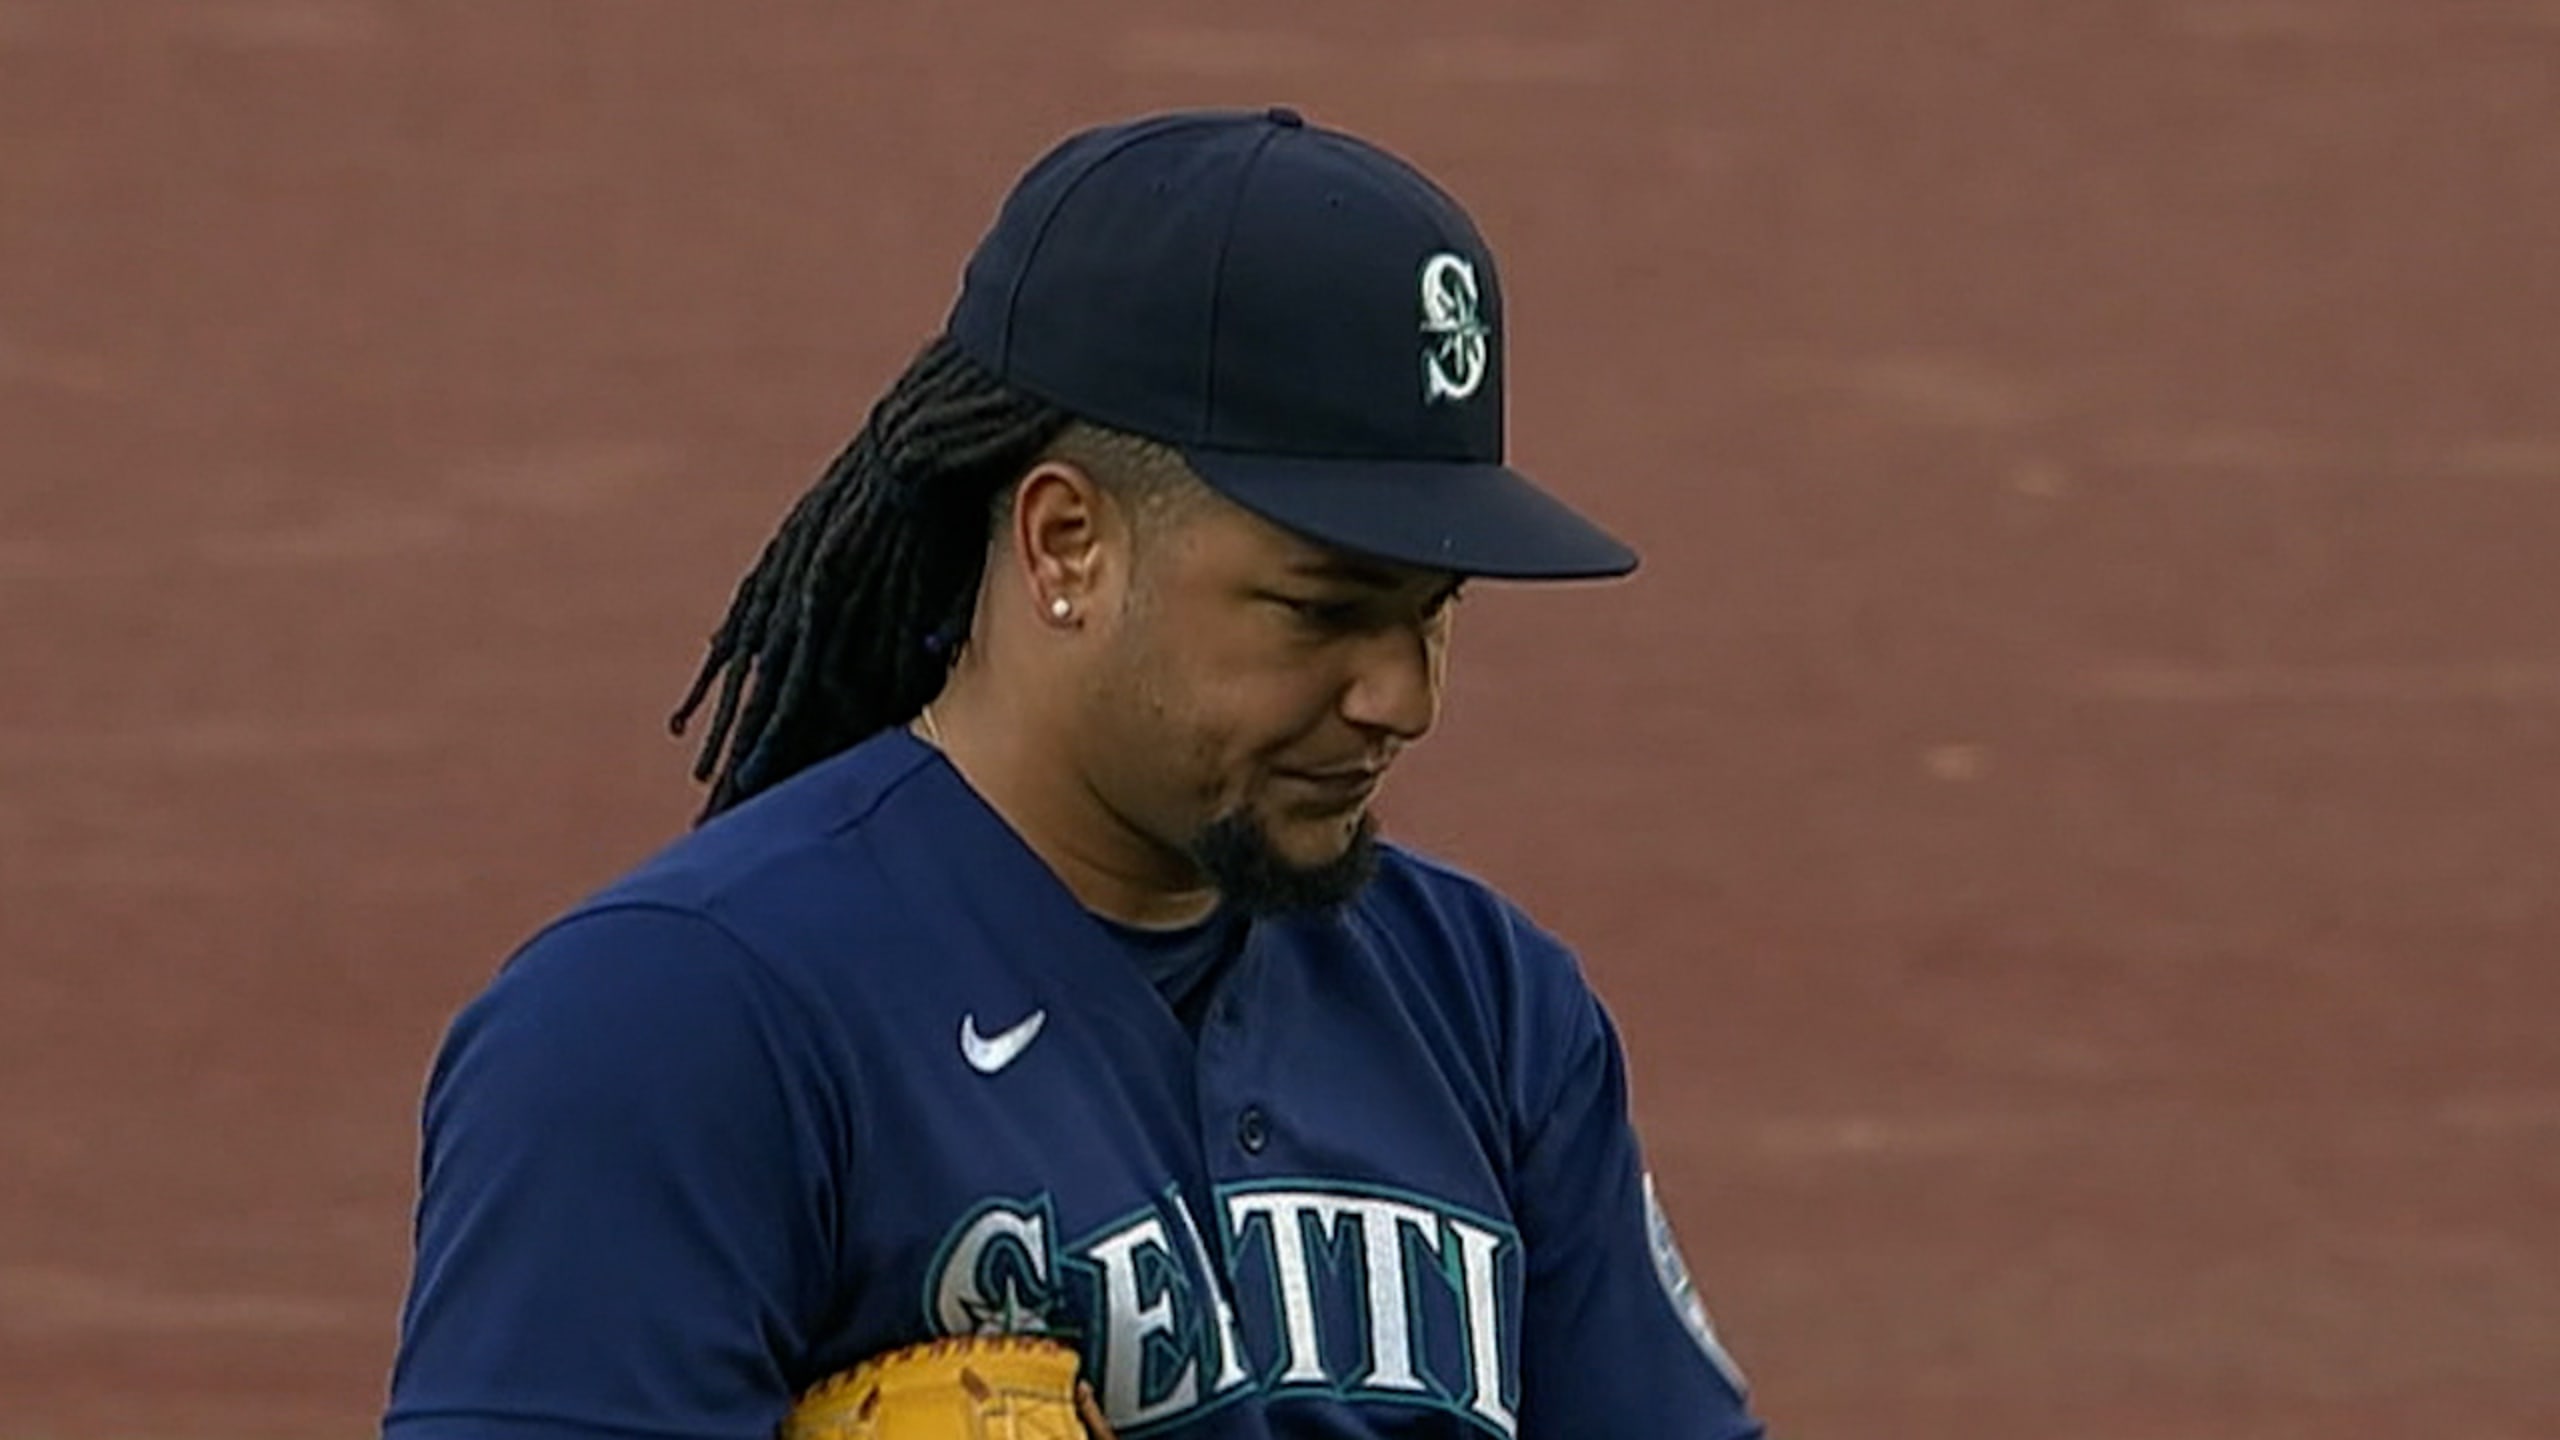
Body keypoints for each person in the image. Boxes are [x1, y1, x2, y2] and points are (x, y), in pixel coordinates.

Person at [382, 105, 1766, 1440]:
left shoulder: (1489, 1002)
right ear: (1065, 545)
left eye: (1435, 608)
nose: (1399, 694)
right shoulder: (674, 1024)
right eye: (1321, 609)